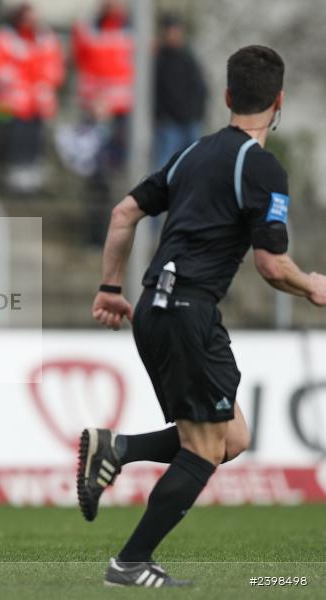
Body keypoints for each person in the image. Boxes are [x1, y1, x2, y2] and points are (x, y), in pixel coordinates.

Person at [80, 45, 326, 587]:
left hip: (156, 306)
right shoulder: (261, 166)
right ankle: (130, 563)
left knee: (232, 437)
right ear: (280, 102)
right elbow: (271, 264)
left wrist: (111, 287)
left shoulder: (192, 152)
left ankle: (119, 448)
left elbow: (123, 212)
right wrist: (313, 286)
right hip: (188, 309)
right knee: (206, 448)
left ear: (228, 95)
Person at [0, 2, 64, 194]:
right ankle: (15, 174)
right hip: (11, 103)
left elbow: (54, 67)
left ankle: (31, 175)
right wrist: (15, 80)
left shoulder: (46, 38)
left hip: (37, 102)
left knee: (36, 138)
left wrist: (43, 85)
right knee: (14, 137)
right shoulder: (4, 37)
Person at [72, 0, 133, 246]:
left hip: (123, 113)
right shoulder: (88, 28)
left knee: (120, 174)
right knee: (98, 177)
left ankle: (119, 235)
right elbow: (80, 60)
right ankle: (96, 235)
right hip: (95, 112)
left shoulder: (133, 28)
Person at [153, 14, 207, 169]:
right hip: (168, 122)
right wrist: (161, 115)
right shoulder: (159, 59)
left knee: (193, 165)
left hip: (190, 120)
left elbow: (200, 87)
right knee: (165, 165)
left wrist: (197, 113)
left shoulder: (188, 57)